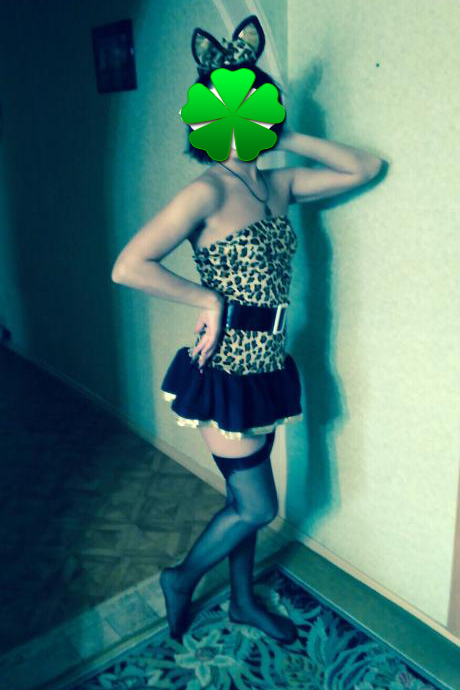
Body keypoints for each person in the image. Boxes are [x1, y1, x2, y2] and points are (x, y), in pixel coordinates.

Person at [111, 15, 384, 645]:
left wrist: (286, 134)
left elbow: (363, 167)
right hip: (226, 367)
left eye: (254, 106)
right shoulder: (205, 192)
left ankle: (241, 601)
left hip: (270, 362)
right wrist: (207, 296)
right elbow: (129, 266)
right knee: (258, 505)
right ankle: (181, 579)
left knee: (244, 500)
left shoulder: (278, 184)